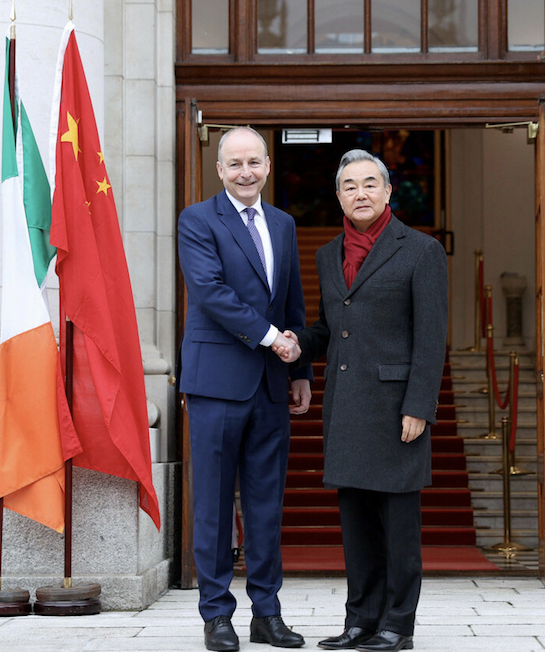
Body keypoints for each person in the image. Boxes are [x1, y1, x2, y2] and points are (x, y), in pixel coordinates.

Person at [279, 149, 448, 651]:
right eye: (350, 186)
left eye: (370, 183)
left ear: (388, 191)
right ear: (338, 197)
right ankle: (360, 621)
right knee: (356, 526)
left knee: (398, 528)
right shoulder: (328, 254)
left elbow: (431, 337)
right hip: (347, 408)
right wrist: (297, 343)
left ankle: (398, 626)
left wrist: (419, 405)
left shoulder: (421, 250)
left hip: (397, 410)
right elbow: (331, 327)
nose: (360, 193)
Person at [177, 126, 310, 652]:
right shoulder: (197, 219)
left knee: (265, 505)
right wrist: (273, 339)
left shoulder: (283, 223)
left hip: (272, 385)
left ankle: (267, 614)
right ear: (220, 170)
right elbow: (209, 291)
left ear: (268, 166)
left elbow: (292, 299)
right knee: (212, 505)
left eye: (254, 162)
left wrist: (301, 372)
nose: (245, 172)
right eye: (234, 164)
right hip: (215, 383)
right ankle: (216, 616)